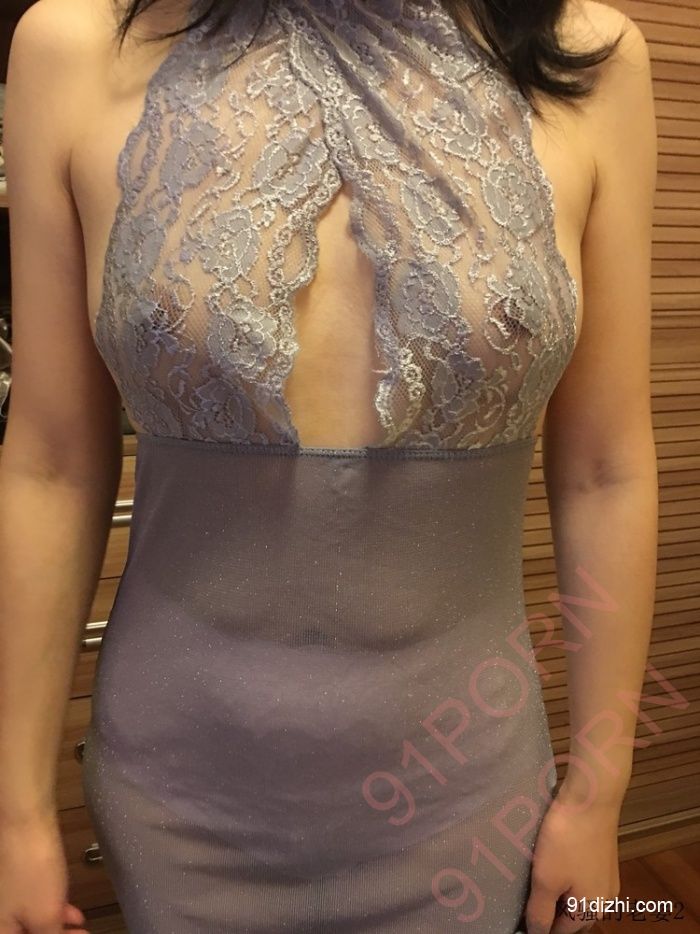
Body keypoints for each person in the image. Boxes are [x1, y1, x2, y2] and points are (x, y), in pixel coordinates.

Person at [0, 0, 659, 930]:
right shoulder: (69, 48)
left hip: (470, 794)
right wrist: (15, 811)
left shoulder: (594, 59)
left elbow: (606, 470)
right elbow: (50, 464)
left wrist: (599, 791)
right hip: (177, 797)